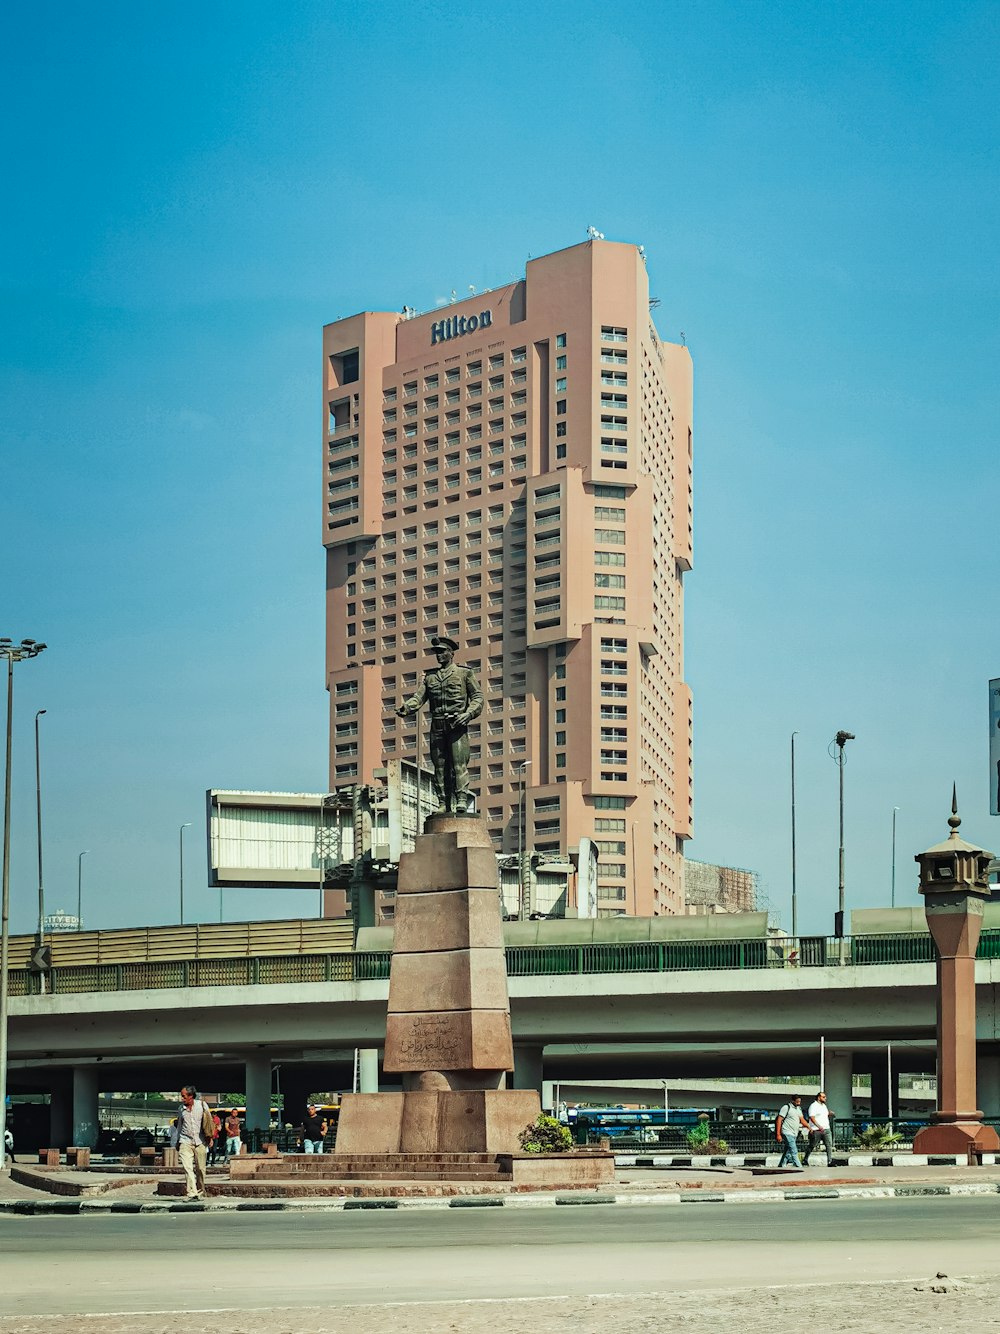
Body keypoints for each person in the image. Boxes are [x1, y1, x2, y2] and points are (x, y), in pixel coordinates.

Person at [396, 636, 483, 813]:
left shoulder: (464, 673)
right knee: (440, 766)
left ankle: (461, 800)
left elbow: (478, 698)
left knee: (459, 764)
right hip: (437, 725)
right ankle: (443, 802)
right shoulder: (430, 677)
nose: (439, 655)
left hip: (456, 724)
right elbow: (419, 698)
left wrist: (468, 714)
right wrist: (407, 707)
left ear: (451, 653)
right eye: (436, 652)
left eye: (442, 652)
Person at [168, 1085, 215, 1200]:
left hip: (200, 1141)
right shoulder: (181, 1109)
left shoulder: (203, 1106)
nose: (182, 1099)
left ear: (191, 1096)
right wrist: (177, 1140)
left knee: (201, 1169)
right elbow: (179, 1126)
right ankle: (191, 1192)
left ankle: (200, 1191)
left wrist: (210, 1137)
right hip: (185, 1140)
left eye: (184, 1096)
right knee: (187, 1168)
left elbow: (209, 1123)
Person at [803, 1090, 835, 1166]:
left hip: (826, 1129)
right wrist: (818, 1126)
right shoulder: (813, 1106)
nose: (825, 1098)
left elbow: (824, 1115)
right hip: (816, 1130)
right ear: (819, 1097)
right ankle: (805, 1159)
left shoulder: (824, 1106)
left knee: (829, 1145)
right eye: (823, 1097)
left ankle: (829, 1161)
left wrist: (830, 1113)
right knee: (812, 1145)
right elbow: (812, 1117)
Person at [775, 1094, 807, 1168]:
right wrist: (778, 1134)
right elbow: (779, 1120)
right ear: (793, 1101)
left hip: (794, 1133)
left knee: (788, 1151)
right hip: (787, 1132)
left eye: (799, 1102)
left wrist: (809, 1127)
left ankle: (781, 1165)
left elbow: (802, 1120)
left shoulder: (798, 1109)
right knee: (794, 1150)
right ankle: (799, 1166)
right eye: (797, 1102)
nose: (799, 1103)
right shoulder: (786, 1107)